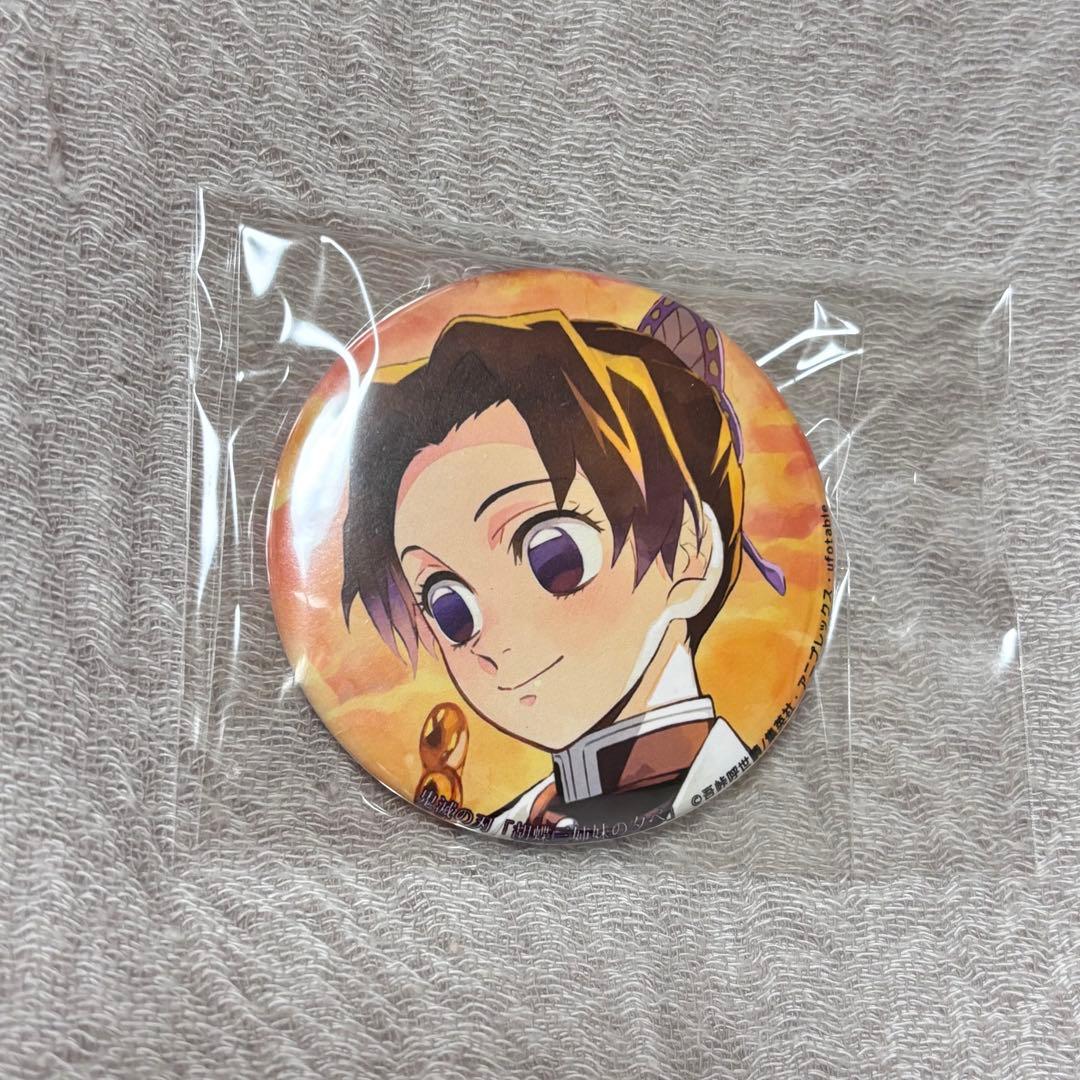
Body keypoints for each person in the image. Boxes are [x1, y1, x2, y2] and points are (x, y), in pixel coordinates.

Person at [341, 307, 784, 838]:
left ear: (690, 548)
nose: (493, 644)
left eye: (556, 560)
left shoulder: (758, 821)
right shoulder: (505, 820)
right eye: (450, 609)